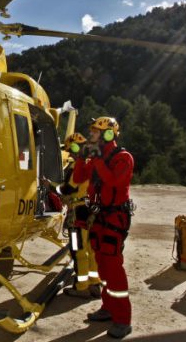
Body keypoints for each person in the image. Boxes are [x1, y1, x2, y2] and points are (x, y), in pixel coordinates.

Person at [71, 116, 134, 339]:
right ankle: (108, 308)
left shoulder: (123, 158)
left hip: (115, 218)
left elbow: (114, 182)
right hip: (98, 217)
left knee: (114, 268)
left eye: (96, 133)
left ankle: (123, 320)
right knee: (102, 266)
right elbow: (78, 178)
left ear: (108, 135)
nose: (92, 136)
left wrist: (95, 160)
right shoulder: (96, 157)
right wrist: (81, 158)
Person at [61, 132, 102, 300]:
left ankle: (81, 286)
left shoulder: (76, 167)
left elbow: (68, 189)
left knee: (78, 250)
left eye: (70, 151)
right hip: (91, 211)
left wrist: (51, 187)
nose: (69, 154)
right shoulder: (92, 165)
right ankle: (94, 284)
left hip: (78, 212)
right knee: (91, 250)